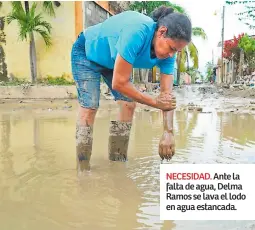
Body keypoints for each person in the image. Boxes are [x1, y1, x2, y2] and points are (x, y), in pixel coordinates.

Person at [71, 6, 192, 171]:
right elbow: (119, 83)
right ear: (162, 32)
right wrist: (154, 103)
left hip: (112, 61)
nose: (172, 54)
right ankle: (82, 168)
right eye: (172, 48)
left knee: (129, 104)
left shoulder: (168, 55)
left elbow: (167, 96)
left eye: (177, 51)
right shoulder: (137, 31)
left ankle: (117, 163)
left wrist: (168, 132)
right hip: (87, 52)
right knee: (90, 106)